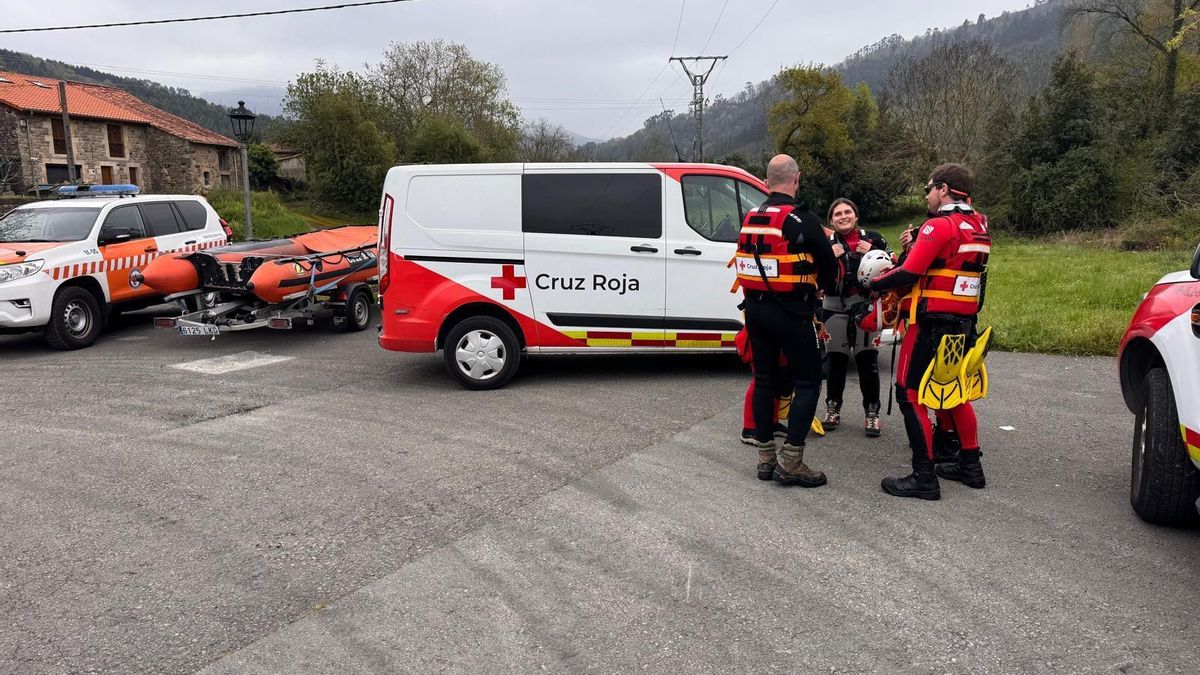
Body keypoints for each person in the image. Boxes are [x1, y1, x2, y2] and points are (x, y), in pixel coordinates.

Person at [864, 163, 991, 500]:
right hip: (964, 325)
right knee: (956, 391)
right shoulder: (979, 224)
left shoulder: (940, 226)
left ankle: (924, 476)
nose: (925, 195)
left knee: (909, 394)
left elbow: (909, 272)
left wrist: (874, 284)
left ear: (944, 189)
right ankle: (970, 466)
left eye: (928, 188)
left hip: (931, 325)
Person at [734, 154, 840, 487]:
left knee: (765, 381)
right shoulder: (801, 218)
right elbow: (831, 270)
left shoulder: (751, 216)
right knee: (808, 381)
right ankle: (792, 461)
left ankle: (765, 459)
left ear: (766, 182)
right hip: (793, 312)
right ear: (797, 179)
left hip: (755, 312)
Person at [820, 198, 889, 437]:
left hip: (866, 307)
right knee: (835, 362)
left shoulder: (873, 239)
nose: (843, 216)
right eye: (837, 214)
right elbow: (812, 275)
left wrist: (874, 252)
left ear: (856, 215)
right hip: (833, 306)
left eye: (847, 212)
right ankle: (832, 408)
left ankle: (872, 413)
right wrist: (828, 257)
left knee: (867, 361)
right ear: (831, 220)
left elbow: (894, 268)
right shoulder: (823, 243)